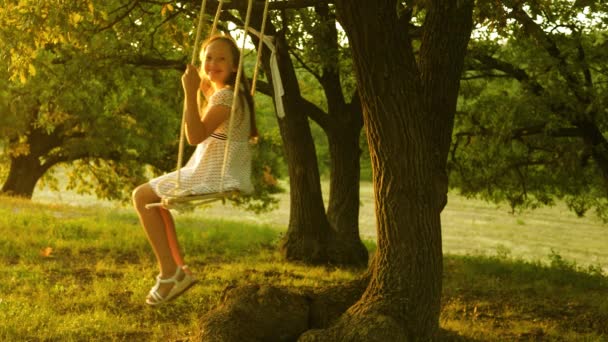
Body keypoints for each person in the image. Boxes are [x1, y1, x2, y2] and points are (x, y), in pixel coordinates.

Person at [132, 35, 257, 306]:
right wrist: (200, 84)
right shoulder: (228, 94)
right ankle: (177, 271)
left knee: (141, 197)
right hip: (217, 169)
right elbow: (209, 91)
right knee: (154, 201)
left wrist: (189, 92)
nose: (213, 63)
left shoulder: (225, 97)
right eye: (208, 58)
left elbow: (195, 136)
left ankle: (169, 273)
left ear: (235, 66)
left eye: (221, 59)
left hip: (214, 173)